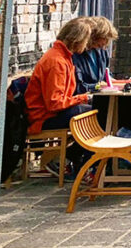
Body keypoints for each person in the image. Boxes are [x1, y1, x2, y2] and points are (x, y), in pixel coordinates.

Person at [25, 18, 95, 168]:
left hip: (50, 114)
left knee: (96, 112)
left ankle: (74, 158)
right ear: (78, 40)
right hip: (44, 118)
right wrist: (83, 98)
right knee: (98, 116)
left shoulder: (62, 57)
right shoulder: (57, 62)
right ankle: (70, 159)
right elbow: (55, 103)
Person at [72, 16, 117, 94]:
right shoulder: (76, 54)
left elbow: (106, 75)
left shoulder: (102, 51)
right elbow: (78, 87)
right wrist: (98, 86)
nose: (105, 43)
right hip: (83, 99)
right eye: (104, 38)